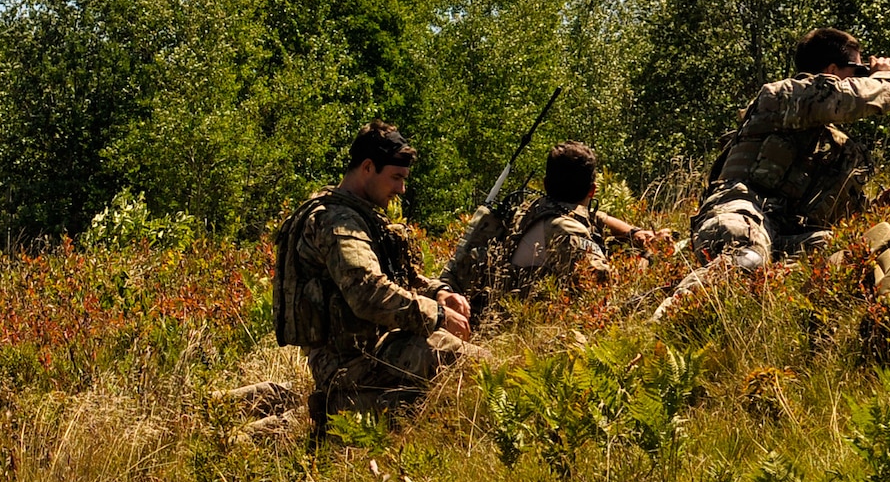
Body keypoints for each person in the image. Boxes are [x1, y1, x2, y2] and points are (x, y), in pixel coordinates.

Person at [660, 27, 890, 314]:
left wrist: (880, 205)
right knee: (746, 257)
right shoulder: (782, 97)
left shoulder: (833, 146)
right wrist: (887, 78)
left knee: (849, 253)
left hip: (784, 233)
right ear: (832, 70)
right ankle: (657, 332)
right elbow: (847, 98)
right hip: (740, 210)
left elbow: (835, 214)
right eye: (858, 69)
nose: (863, 77)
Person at [272, 121, 481, 432]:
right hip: (352, 361)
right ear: (367, 168)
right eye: (395, 178)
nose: (401, 189)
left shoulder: (358, 213)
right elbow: (368, 293)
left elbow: (399, 278)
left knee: (471, 369)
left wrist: (438, 292)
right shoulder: (338, 222)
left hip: (378, 345)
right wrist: (437, 315)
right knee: (472, 368)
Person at [497, 142, 674, 297]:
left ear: (545, 184)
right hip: (533, 317)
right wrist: (649, 256)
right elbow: (606, 285)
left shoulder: (534, 208)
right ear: (592, 191)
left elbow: (596, 217)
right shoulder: (568, 231)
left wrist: (635, 233)